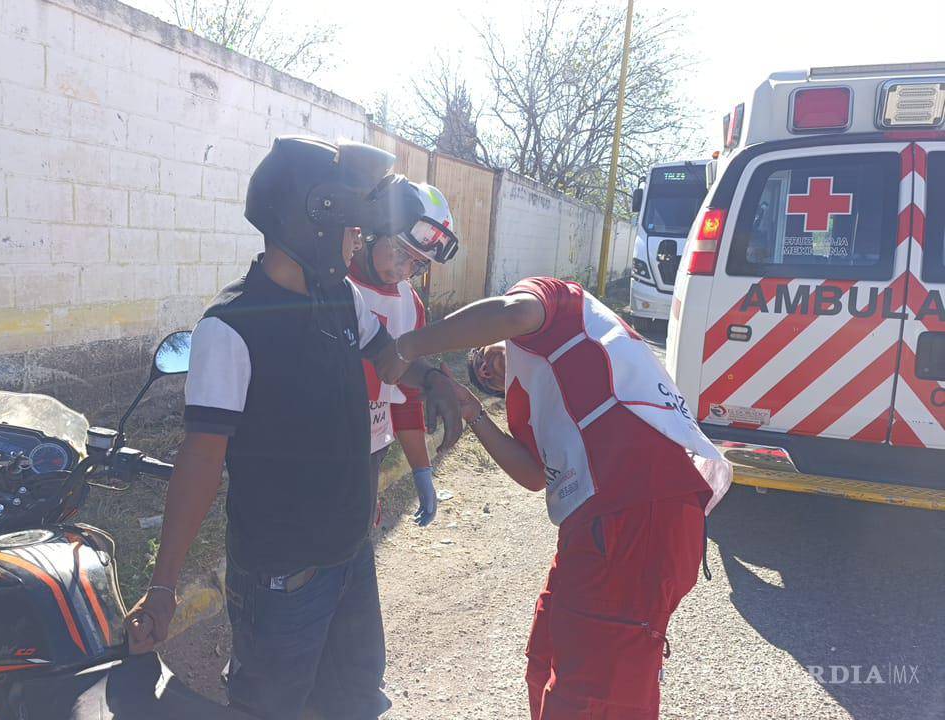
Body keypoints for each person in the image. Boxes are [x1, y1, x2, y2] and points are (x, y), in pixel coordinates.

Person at [123, 136, 464, 720]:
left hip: (351, 553)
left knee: (355, 700)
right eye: (351, 227)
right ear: (312, 224)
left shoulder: (339, 297)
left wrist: (434, 379)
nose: (358, 239)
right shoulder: (231, 328)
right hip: (284, 579)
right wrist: (162, 585)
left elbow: (388, 356)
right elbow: (201, 462)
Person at [377, 276, 732, 720]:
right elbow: (533, 475)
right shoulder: (535, 398)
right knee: (546, 662)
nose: (486, 373)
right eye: (484, 382)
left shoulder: (555, 305)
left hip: (640, 511)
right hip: (600, 522)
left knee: (595, 694)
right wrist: (477, 415)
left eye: (483, 359)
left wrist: (405, 348)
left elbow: (511, 314)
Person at [348, 182, 460, 527]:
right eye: (399, 252)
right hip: (318, 450)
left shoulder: (410, 306)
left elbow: (406, 399)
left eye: (418, 265)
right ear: (372, 231)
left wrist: (422, 470)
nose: (403, 271)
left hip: (369, 453)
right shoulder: (332, 285)